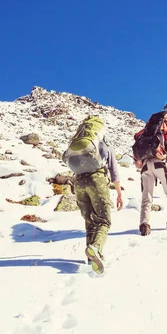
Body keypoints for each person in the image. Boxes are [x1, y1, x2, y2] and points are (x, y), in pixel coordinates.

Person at [62, 116, 123, 274]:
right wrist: (119, 194)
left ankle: (91, 260)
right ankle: (96, 249)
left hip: (79, 183)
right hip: (97, 180)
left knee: (90, 222)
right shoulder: (103, 145)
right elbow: (114, 171)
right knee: (104, 221)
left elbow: (66, 159)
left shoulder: (78, 144)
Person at [133, 112, 167, 236]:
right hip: (159, 164)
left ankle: (144, 225)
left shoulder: (143, 133)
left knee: (146, 198)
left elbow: (137, 161)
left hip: (145, 167)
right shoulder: (166, 126)